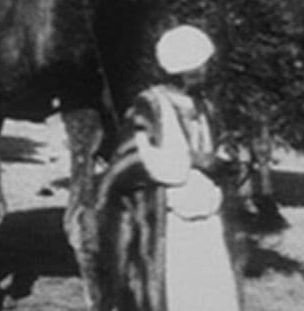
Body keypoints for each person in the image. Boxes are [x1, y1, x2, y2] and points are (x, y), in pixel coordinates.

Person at [93, 24, 241, 311]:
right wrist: (193, 160)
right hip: (170, 229)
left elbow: (218, 148)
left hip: (208, 225)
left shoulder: (206, 107)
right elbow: (130, 161)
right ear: (188, 69)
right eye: (203, 65)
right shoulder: (149, 105)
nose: (207, 71)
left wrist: (223, 161)